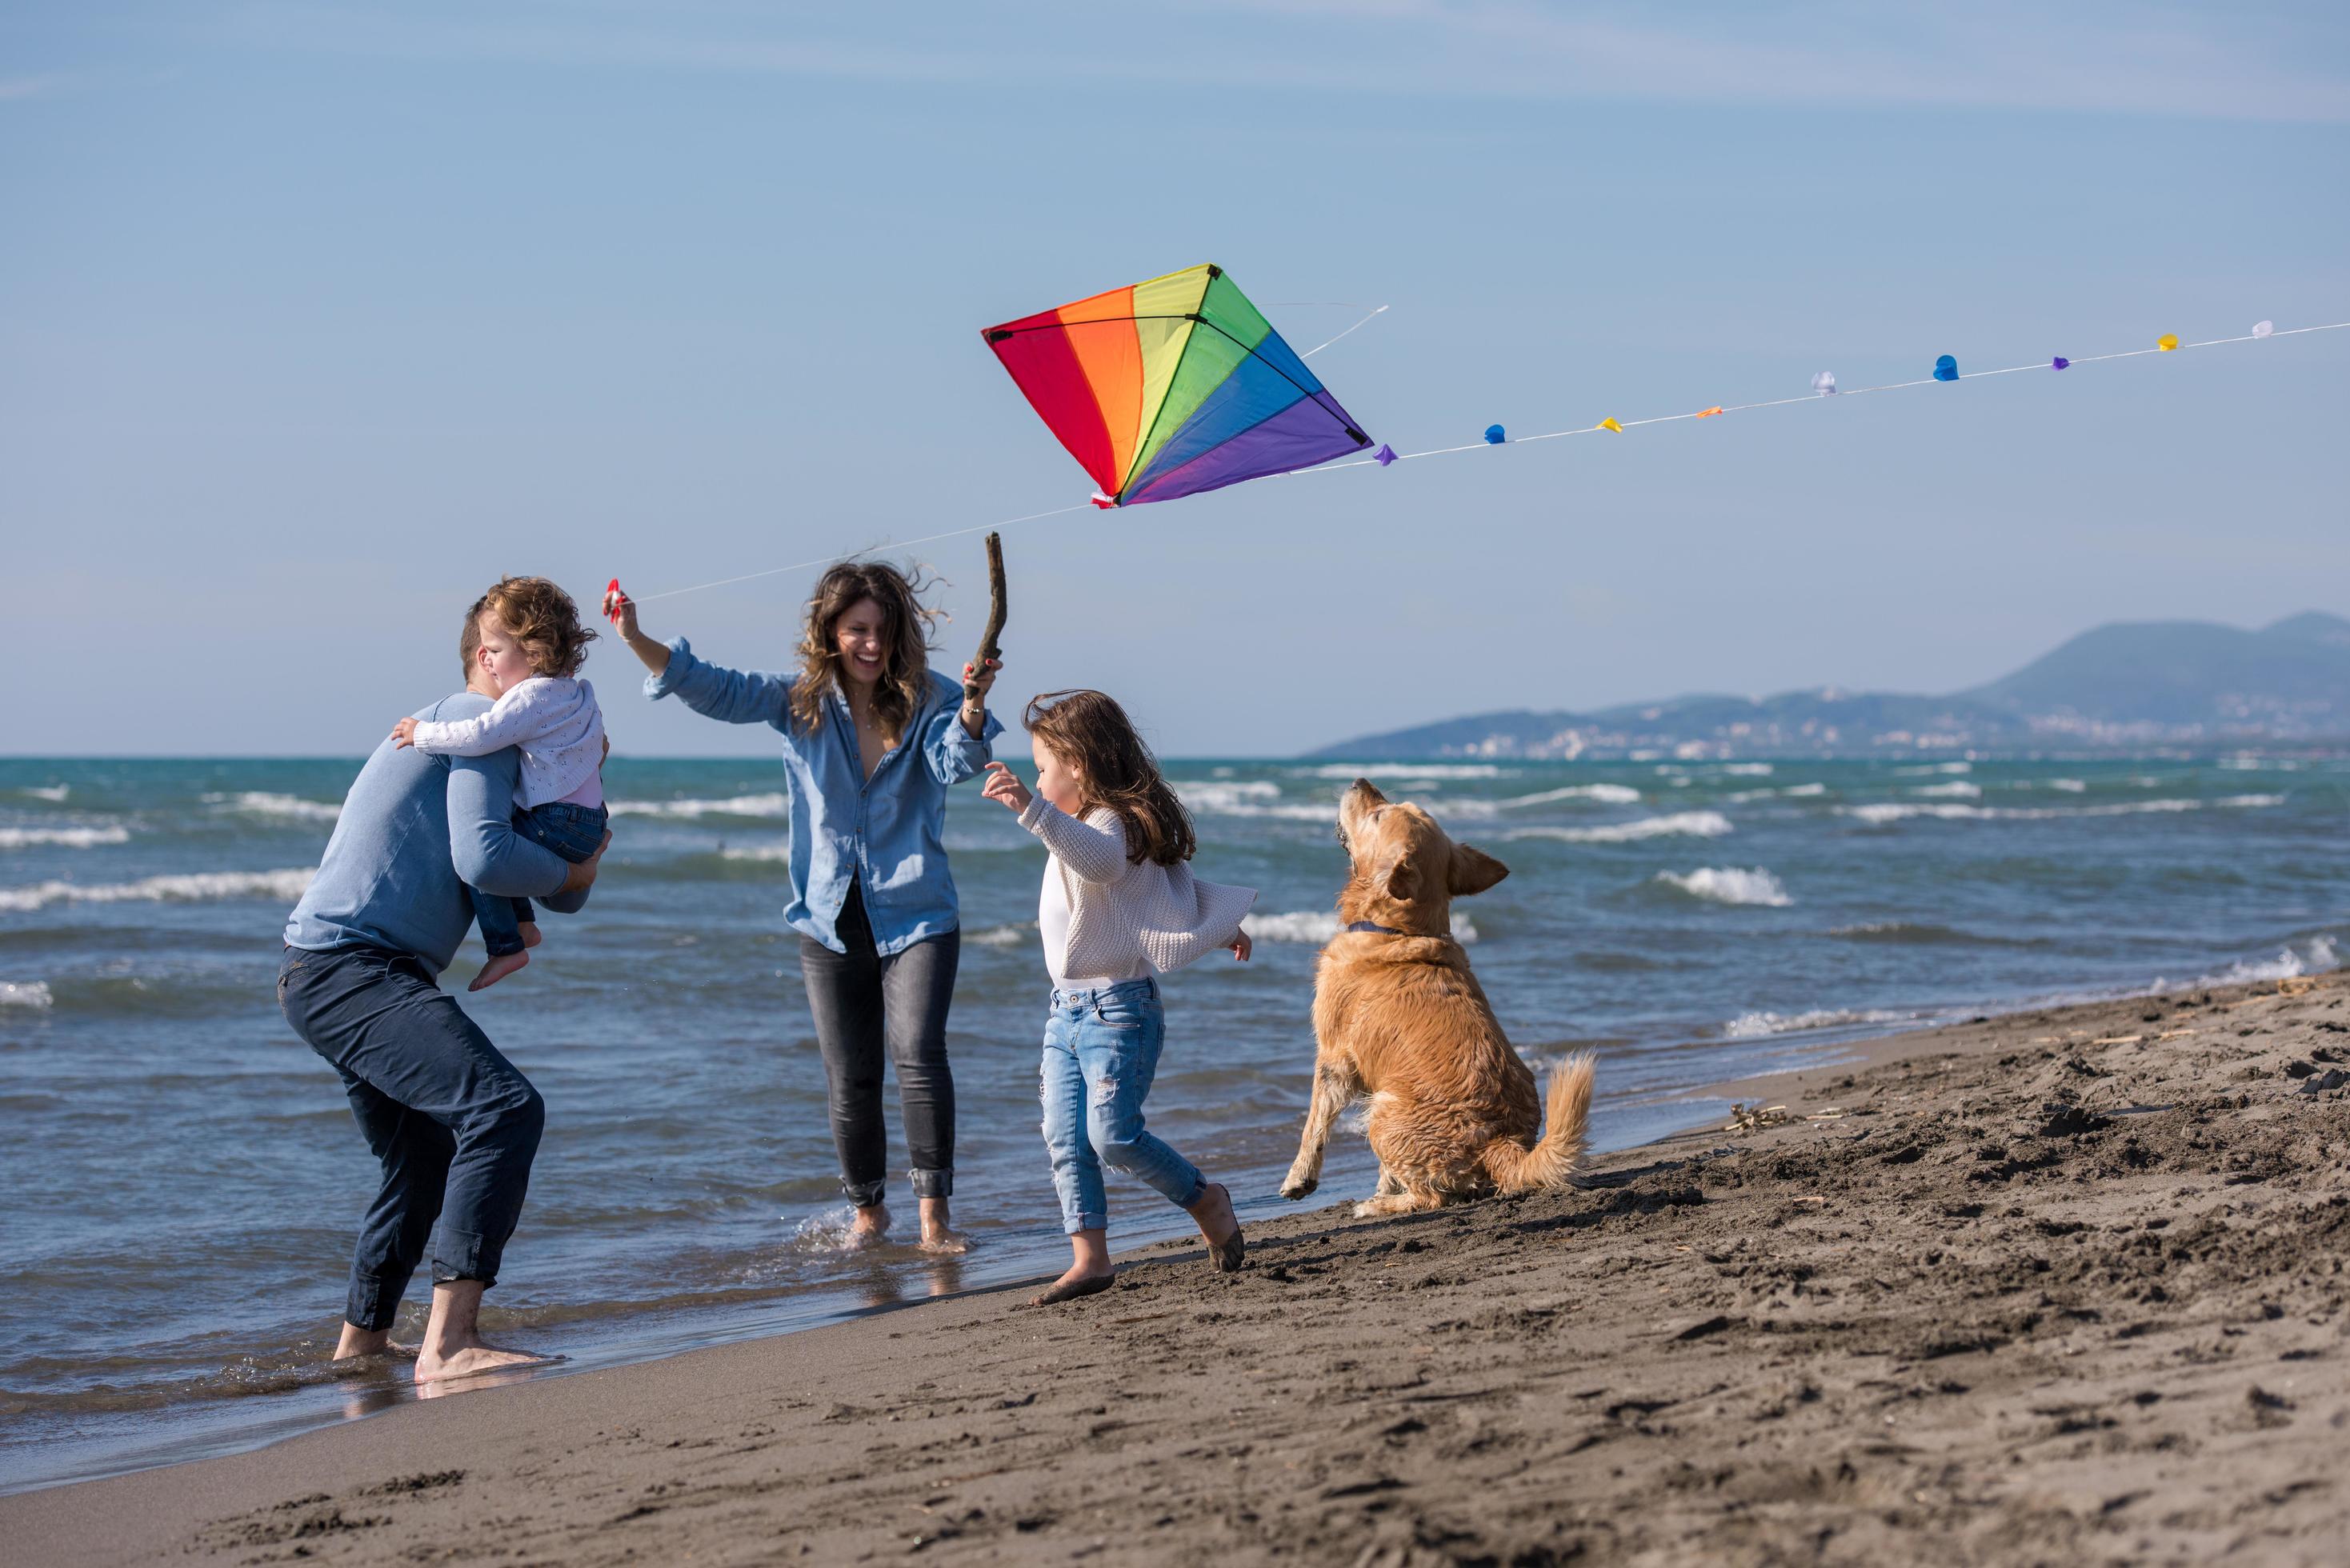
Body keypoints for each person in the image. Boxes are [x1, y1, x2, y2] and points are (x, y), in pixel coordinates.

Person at [603, 562, 998, 1252]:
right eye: (856, 630)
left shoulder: (934, 697)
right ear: (830, 632)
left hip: (918, 910)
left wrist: (970, 706)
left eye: (882, 630)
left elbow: (954, 765)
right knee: (850, 1076)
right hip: (826, 915)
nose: (871, 644)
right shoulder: (800, 701)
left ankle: (935, 1221)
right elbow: (713, 689)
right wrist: (637, 637)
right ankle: (868, 1218)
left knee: (917, 1053)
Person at [278, 586, 608, 1383]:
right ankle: (450, 1342)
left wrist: (575, 834)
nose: (545, 680)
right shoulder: (473, 723)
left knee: (422, 1158)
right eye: (522, 653)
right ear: (483, 660)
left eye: (553, 655)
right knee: (503, 1109)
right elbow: (487, 861)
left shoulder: (503, 741)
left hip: (328, 970)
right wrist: (575, 860)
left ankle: (361, 1347)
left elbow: (563, 894)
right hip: (349, 968)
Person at [978, 689, 1254, 1306]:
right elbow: (1149, 902)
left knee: (1114, 1136)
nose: (1038, 778)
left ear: (1077, 763)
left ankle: (1206, 1199)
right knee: (1065, 1139)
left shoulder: (1110, 826)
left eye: (1043, 767)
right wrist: (1221, 927)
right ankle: (1091, 1259)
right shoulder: (1078, 829)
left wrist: (1030, 808)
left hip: (1119, 1012)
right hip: (1065, 1013)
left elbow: (1104, 867)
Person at [392, 576, 610, 992]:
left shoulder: (530, 696)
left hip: (558, 821)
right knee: (506, 839)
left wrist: (422, 734)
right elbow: (595, 751)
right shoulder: (578, 693)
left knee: (482, 850)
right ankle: (525, 926)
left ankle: (506, 944)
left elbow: (480, 735)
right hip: (590, 821)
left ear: (533, 651)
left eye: (494, 651)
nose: (487, 661)